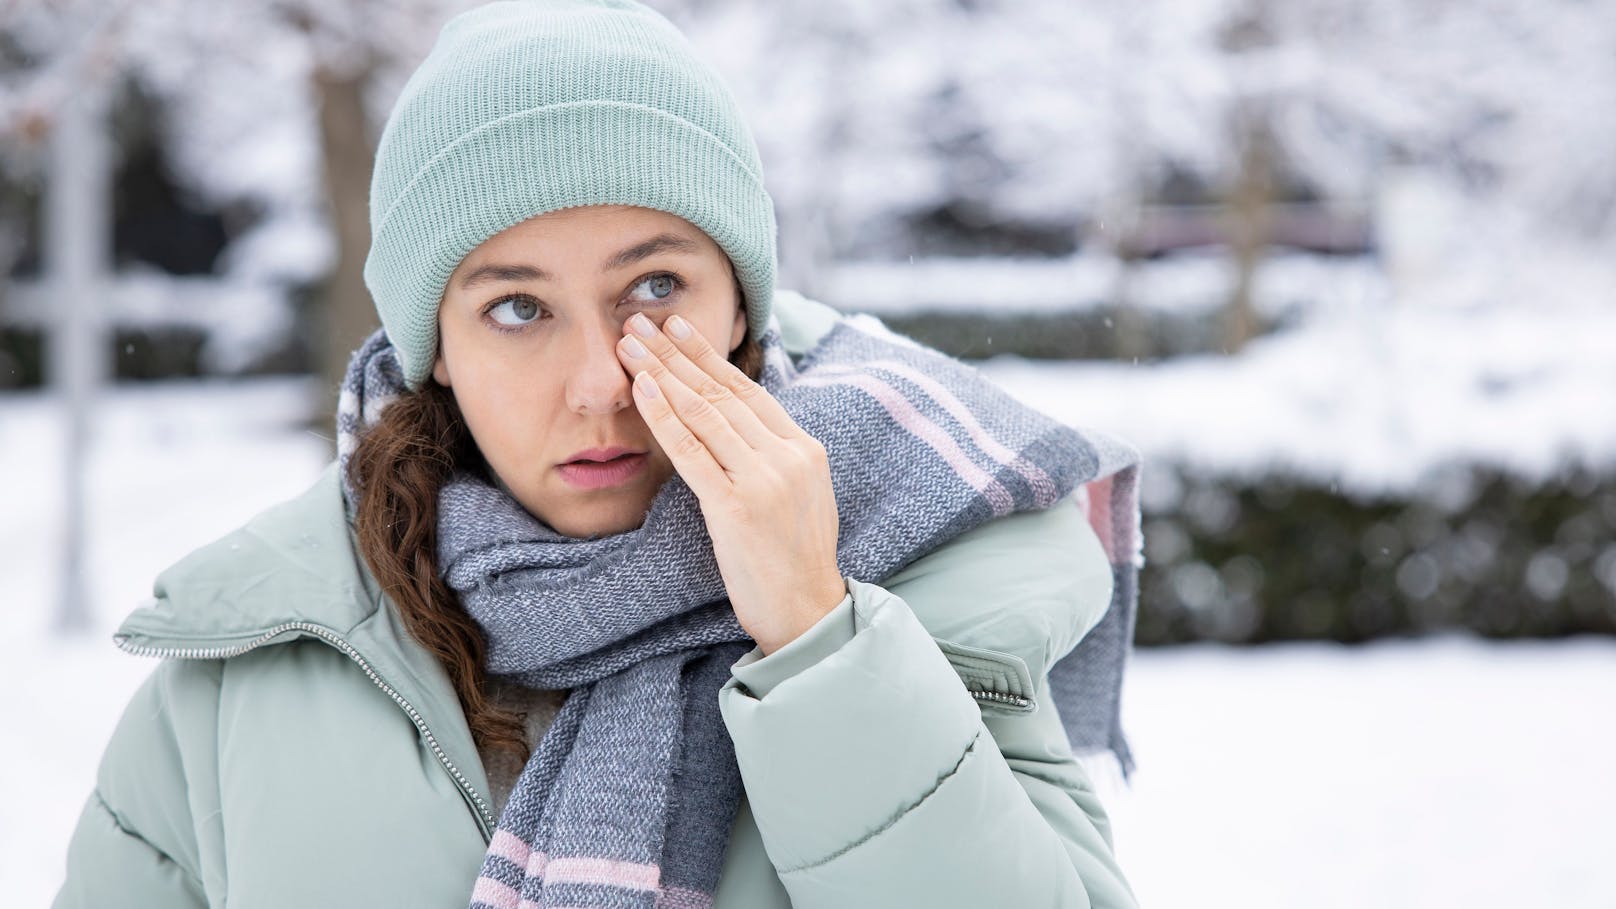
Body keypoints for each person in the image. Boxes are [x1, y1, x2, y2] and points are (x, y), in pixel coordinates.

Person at [54, 2, 1144, 907]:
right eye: (517, 308)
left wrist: (818, 632)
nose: (599, 383)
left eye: (655, 288)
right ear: (435, 351)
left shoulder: (925, 575)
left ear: (737, 308)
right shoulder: (249, 670)